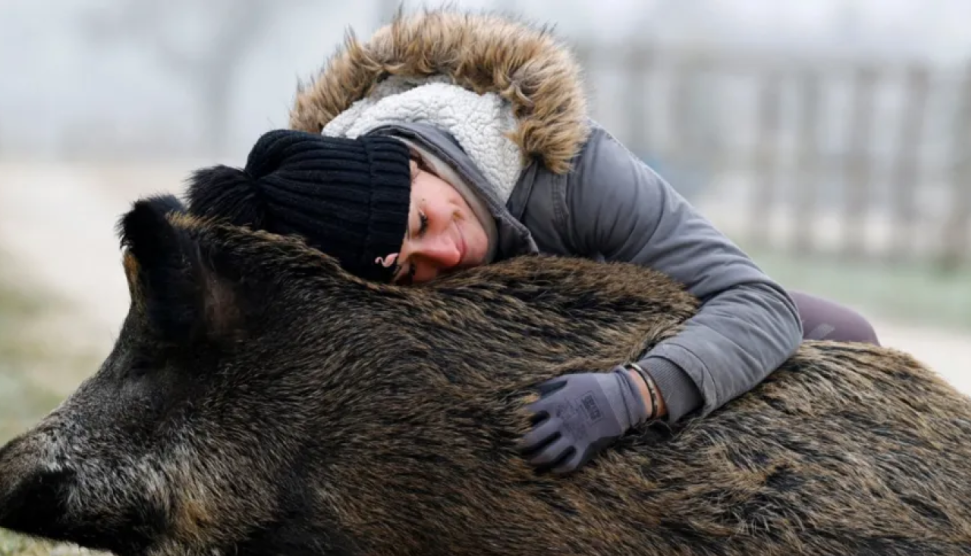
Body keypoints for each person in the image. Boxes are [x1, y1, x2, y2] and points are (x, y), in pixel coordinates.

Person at [184, 8, 880, 475]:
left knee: (846, 333)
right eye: (410, 268)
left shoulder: (573, 170)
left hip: (643, 341)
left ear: (416, 160)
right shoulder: (337, 261)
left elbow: (754, 301)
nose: (448, 256)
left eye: (426, 221)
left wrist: (635, 394)